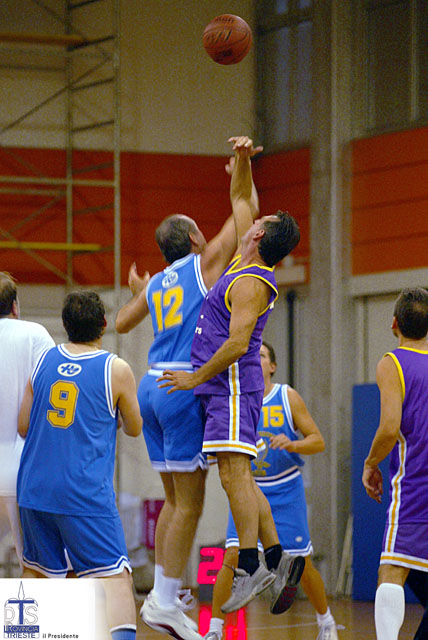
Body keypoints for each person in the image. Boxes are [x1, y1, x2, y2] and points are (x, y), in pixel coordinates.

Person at [115, 136, 262, 640]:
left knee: (174, 500)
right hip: (182, 386)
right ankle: (162, 599)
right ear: (196, 237)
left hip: (151, 385)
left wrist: (142, 292)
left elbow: (122, 323)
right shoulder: (204, 265)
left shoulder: (159, 282)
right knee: (189, 503)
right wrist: (241, 167)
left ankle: (166, 593)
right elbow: (243, 215)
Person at [158, 148, 302, 614]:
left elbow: (239, 344)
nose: (253, 218)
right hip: (224, 389)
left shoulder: (251, 280)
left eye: (259, 221)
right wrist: (242, 161)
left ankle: (250, 565)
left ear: (258, 234)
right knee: (234, 473)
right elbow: (241, 197)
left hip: (233, 386)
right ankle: (275, 557)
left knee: (233, 473)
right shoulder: (244, 255)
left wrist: (194, 378)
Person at [17, 290, 142, 640]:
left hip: (34, 488)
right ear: (103, 323)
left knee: (36, 573)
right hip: (83, 493)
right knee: (116, 580)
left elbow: (24, 426)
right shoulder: (115, 368)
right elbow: (134, 428)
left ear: (65, 324)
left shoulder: (43, 360)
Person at [204, 341, 337, 640]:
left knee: (302, 563)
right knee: (232, 555)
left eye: (262, 355)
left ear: (272, 366)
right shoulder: (236, 399)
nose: (256, 358)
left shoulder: (286, 396)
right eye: (253, 354)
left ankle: (326, 621)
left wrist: (293, 443)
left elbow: (318, 441)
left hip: (286, 488)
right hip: (249, 490)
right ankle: (214, 629)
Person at [362, 287, 428, 640]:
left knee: (392, 569)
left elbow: (390, 427)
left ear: (394, 324)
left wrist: (371, 463)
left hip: (416, 483)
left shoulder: (393, 362)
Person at [0, 271, 54, 567]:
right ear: (15, 306)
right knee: (35, 569)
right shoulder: (35, 335)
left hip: (22, 471)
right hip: (24, 471)